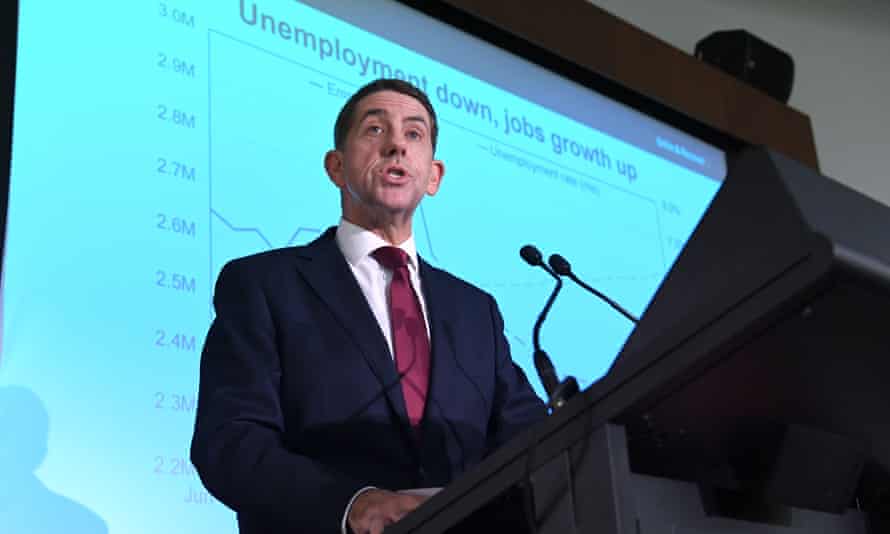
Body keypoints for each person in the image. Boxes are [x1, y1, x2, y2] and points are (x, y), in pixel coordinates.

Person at [191, 78, 546, 534]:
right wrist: (352, 506)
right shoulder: (264, 285)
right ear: (336, 167)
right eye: (375, 130)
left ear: (434, 176)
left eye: (414, 134)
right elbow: (230, 441)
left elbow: (530, 440)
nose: (397, 144)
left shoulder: (475, 311)